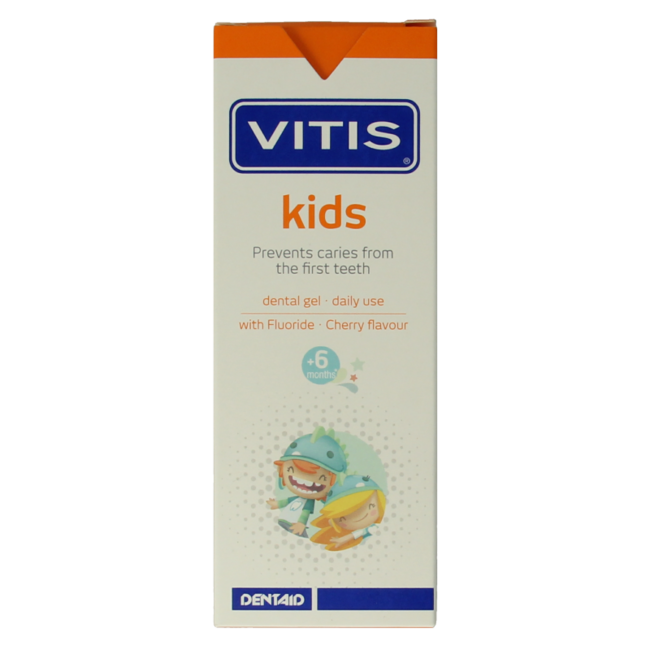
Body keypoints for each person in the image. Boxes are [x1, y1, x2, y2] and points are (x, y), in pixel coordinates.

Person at [267, 427, 348, 538]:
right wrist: (276, 504)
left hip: (295, 527)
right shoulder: (298, 498)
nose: (305, 481)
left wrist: (301, 524)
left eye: (322, 478)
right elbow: (287, 501)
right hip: (286, 521)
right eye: (291, 470)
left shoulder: (308, 502)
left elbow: (305, 512)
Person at [310, 475, 386, 551]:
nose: (356, 517)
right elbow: (355, 534)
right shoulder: (365, 531)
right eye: (342, 519)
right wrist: (342, 540)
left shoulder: (379, 526)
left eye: (370, 506)